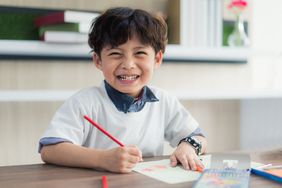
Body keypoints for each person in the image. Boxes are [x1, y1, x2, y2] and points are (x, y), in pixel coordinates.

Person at [39, 7, 207, 173]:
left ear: (157, 59)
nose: (128, 65)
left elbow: (198, 137)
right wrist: (102, 159)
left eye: (140, 53)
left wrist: (188, 147)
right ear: (98, 60)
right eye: (115, 54)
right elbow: (50, 150)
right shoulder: (84, 102)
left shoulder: (163, 100)